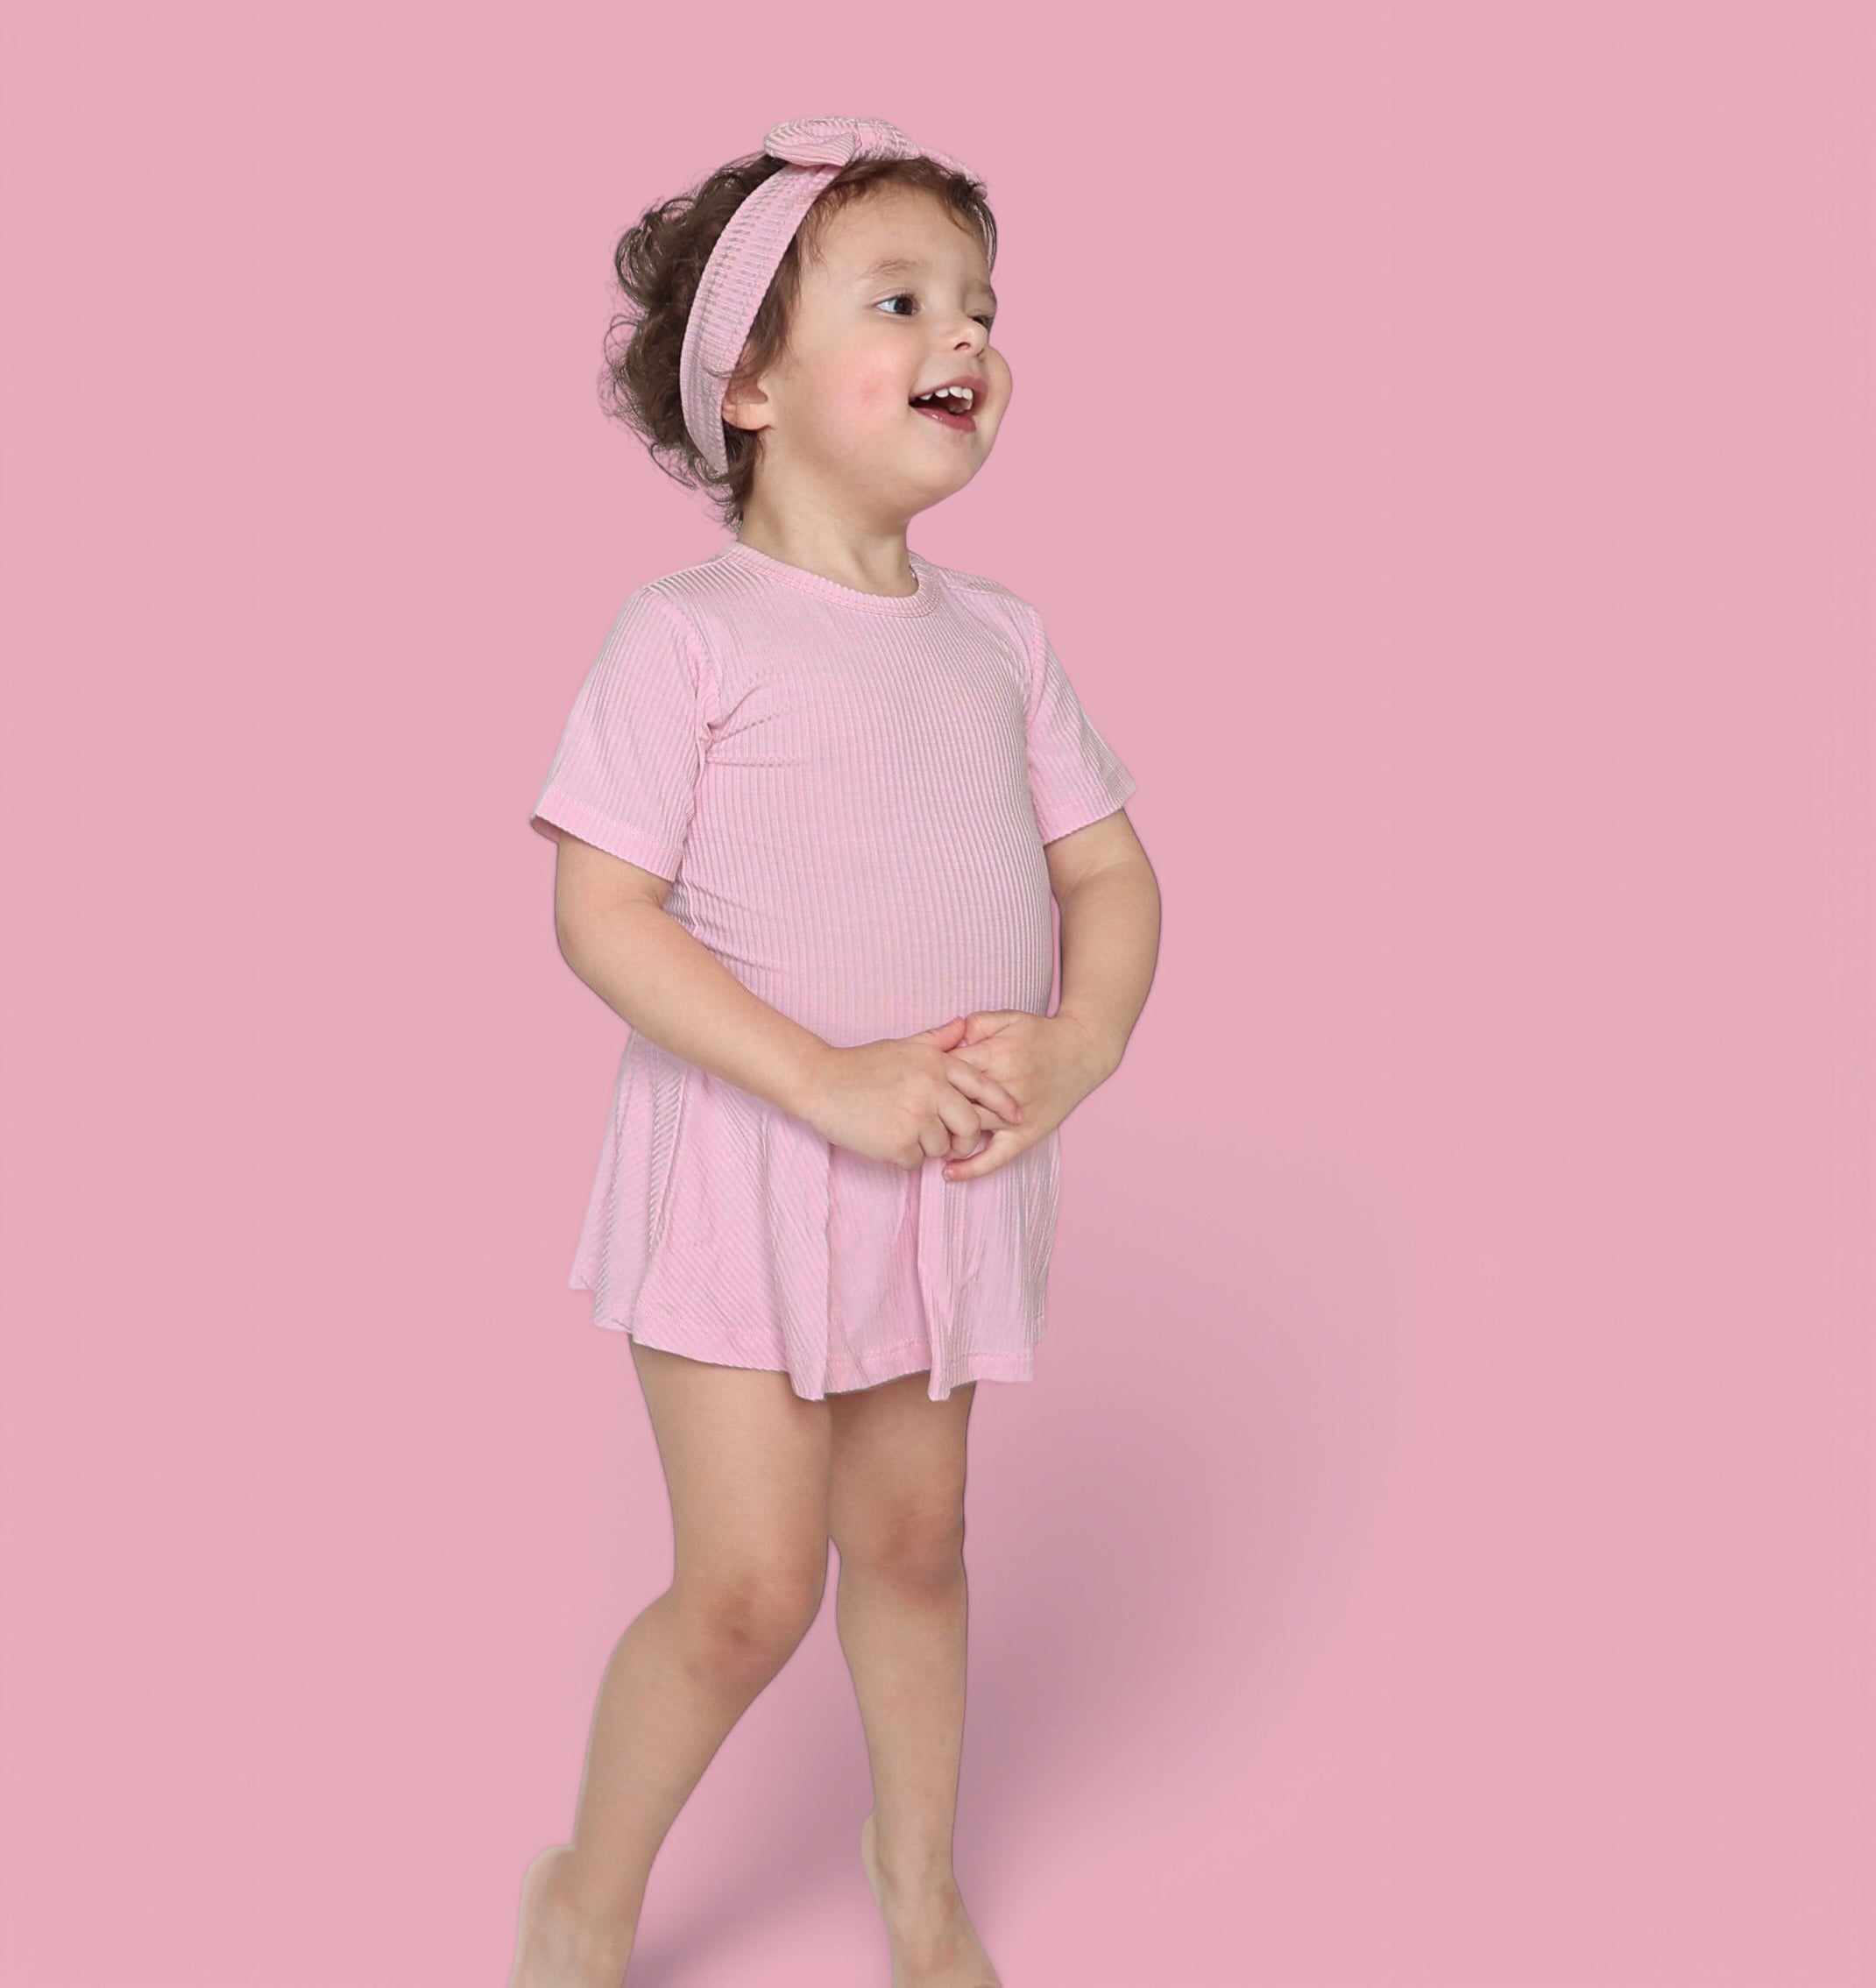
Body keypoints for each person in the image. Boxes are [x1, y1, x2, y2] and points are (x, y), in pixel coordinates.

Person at [512, 115, 1162, 1988]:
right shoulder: (686, 639)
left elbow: (1111, 873)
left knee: (918, 1542)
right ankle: (588, 1890)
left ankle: (918, 1887)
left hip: (941, 1165)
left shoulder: (1001, 639)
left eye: (981, 305)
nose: (967, 334)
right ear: (753, 384)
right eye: (900, 301)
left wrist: (1080, 1046)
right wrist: (825, 1080)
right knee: (744, 1593)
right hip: (747, 1166)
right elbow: (602, 911)